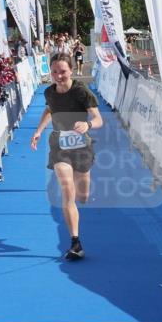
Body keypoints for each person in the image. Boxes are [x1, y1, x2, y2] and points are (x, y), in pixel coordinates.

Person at [30, 53, 103, 261]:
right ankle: (75, 242)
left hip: (81, 147)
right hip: (60, 146)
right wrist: (38, 131)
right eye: (54, 72)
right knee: (66, 188)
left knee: (83, 196)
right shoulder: (49, 92)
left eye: (62, 71)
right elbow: (49, 110)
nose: (58, 76)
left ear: (71, 70)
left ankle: (83, 191)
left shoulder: (81, 91)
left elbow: (98, 119)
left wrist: (87, 124)